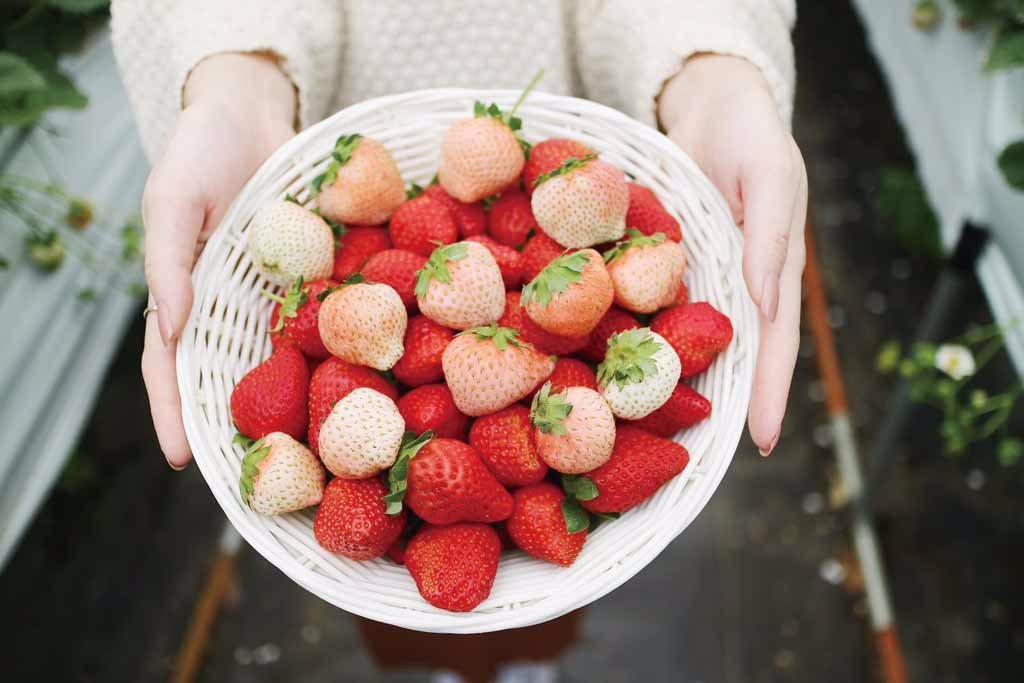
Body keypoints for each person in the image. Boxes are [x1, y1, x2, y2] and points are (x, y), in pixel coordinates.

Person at [111, 1, 804, 681]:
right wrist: (236, 83)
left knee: (533, 595)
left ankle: (526, 657)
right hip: (344, 179)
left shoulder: (531, 263)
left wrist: (712, 76)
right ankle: (442, 662)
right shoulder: (400, 329)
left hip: (555, 187)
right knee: (401, 595)